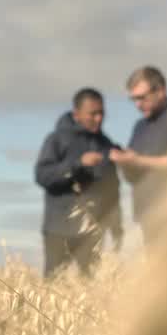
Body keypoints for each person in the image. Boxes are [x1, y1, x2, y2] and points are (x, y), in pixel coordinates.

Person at [108, 66, 167, 247]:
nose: (137, 104)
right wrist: (125, 163)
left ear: (160, 91)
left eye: (141, 98)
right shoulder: (140, 127)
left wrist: (136, 160)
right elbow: (133, 176)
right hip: (148, 214)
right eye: (133, 99)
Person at [33, 87, 124, 277]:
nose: (99, 118)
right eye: (93, 114)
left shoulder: (106, 144)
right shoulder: (56, 139)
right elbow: (42, 175)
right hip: (59, 230)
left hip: (93, 232)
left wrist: (117, 226)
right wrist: (77, 164)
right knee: (55, 287)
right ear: (77, 114)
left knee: (89, 289)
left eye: (101, 113)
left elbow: (113, 189)